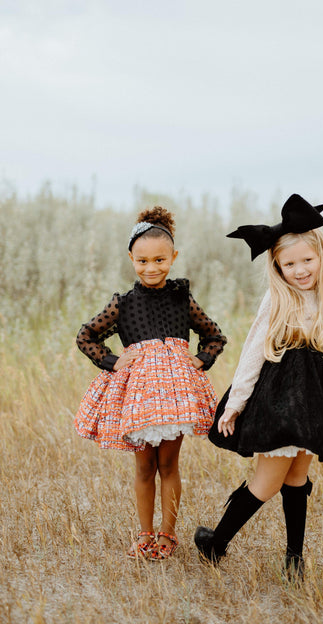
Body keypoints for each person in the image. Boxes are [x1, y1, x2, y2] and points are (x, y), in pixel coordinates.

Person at [194, 194, 323, 579]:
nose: (300, 270)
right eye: (290, 263)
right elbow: (253, 352)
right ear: (277, 266)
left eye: (307, 260)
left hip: (314, 403)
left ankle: (294, 559)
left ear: (322, 258)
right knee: (267, 481)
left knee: (297, 477)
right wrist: (236, 403)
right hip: (279, 401)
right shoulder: (277, 299)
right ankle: (216, 544)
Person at [74, 206, 226, 561]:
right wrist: (113, 361)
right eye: (142, 261)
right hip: (139, 395)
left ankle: (168, 534)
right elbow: (86, 335)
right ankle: (144, 533)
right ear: (131, 258)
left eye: (160, 259)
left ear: (173, 257)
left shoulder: (182, 299)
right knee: (144, 466)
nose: (151, 268)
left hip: (175, 394)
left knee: (169, 466)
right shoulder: (123, 304)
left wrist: (201, 359)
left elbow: (214, 335)